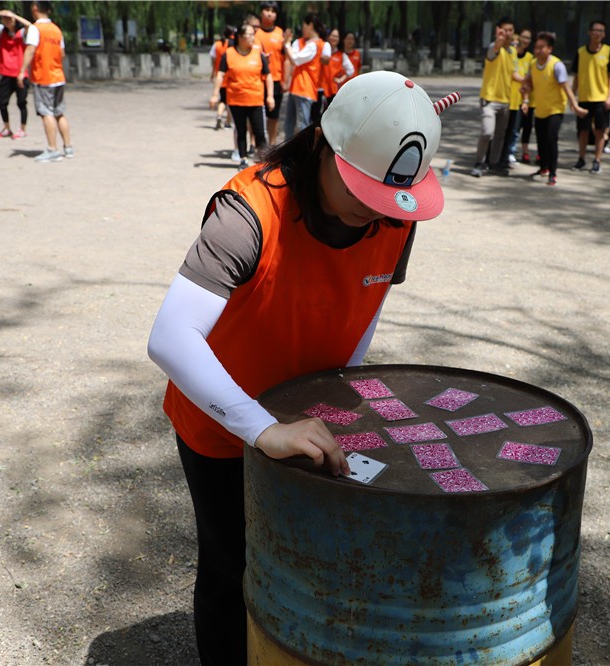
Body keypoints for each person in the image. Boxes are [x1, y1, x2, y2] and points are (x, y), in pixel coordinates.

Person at [147, 70, 455, 665]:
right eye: (361, 192)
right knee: (231, 565)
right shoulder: (248, 211)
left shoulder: (397, 214)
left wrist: (343, 389)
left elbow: (367, 303)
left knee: (315, 557)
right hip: (221, 421)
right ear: (322, 145)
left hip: (313, 415)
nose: (374, 212)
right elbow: (170, 337)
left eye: (386, 198)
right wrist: (262, 428)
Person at [521, 31, 586, 186]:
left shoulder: (557, 65)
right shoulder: (533, 65)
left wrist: (574, 105)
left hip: (555, 109)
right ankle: (543, 168)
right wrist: (525, 98)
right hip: (540, 108)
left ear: (550, 49)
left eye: (541, 47)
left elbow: (566, 87)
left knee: (551, 139)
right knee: (541, 140)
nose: (537, 50)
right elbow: (528, 83)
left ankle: (553, 172)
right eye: (536, 47)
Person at [209, 21, 273, 170]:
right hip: (236, 100)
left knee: (259, 131)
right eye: (250, 34)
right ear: (241, 37)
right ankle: (243, 159)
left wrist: (269, 96)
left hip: (256, 99)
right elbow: (220, 75)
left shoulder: (258, 54)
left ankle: (263, 160)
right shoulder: (229, 54)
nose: (253, 37)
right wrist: (214, 95)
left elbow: (268, 76)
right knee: (241, 130)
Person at [19, 0, 71, 163]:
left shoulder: (36, 28)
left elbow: (30, 49)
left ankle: (52, 149)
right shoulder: (56, 29)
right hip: (58, 76)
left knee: (46, 112)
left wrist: (22, 71)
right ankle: (68, 147)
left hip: (43, 77)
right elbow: (61, 53)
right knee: (59, 112)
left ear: (34, 9)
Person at [470, 17, 520, 177]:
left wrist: (528, 81)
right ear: (498, 31)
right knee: (487, 132)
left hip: (505, 100)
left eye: (510, 30)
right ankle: (479, 162)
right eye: (504, 30)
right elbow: (496, 46)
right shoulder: (494, 47)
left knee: (500, 135)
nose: (508, 33)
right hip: (489, 99)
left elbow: (514, 74)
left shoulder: (512, 52)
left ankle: (493, 163)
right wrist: (499, 39)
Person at [571, 19, 610, 175]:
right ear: (589, 32)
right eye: (596, 30)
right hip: (584, 98)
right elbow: (576, 75)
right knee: (583, 131)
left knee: (600, 131)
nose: (598, 34)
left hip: (601, 98)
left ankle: (597, 160)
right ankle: (581, 158)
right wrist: (572, 96)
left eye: (601, 31)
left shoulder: (608, 51)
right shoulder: (581, 52)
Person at [0, 8, 31, 139]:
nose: (6, 21)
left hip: (20, 74)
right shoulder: (2, 30)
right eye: (4, 19)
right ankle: (6, 128)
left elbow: (30, 26)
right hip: (6, 73)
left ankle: (22, 129)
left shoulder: (22, 32)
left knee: (21, 103)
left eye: (9, 19)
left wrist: (14, 15)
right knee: (2, 103)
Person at [282, 13, 323, 138]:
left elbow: (295, 59)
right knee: (289, 123)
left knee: (302, 125)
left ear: (310, 25)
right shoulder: (309, 43)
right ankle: (287, 152)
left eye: (304, 26)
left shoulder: (313, 45)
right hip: (297, 87)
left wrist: (287, 44)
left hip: (304, 88)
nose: (303, 29)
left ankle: (301, 154)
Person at [501, 28, 533, 168]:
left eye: (528, 38)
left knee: (514, 129)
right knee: (502, 129)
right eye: (523, 37)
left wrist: (526, 99)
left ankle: (509, 153)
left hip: (518, 98)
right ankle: (498, 155)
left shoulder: (530, 58)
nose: (524, 40)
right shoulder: (510, 53)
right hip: (506, 96)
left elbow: (527, 82)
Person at [255, 1, 284, 143]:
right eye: (266, 9)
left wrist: (287, 79)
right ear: (261, 12)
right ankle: (255, 143)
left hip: (276, 79)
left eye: (273, 11)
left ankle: (271, 145)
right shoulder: (254, 33)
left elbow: (286, 59)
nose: (269, 13)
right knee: (256, 115)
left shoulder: (280, 34)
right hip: (257, 80)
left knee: (273, 116)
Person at [320, 27, 354, 110]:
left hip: (332, 90)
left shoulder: (341, 55)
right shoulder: (321, 50)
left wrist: (341, 79)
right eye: (332, 35)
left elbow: (351, 70)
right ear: (328, 37)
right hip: (320, 87)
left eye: (336, 36)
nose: (334, 38)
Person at [208, 25, 235, 131]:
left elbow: (214, 60)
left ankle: (219, 115)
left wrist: (213, 72)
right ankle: (228, 122)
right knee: (231, 101)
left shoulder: (217, 44)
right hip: (231, 76)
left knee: (223, 99)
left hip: (220, 75)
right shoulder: (233, 44)